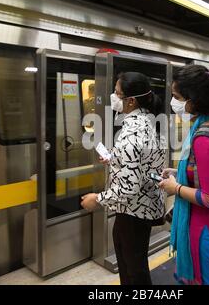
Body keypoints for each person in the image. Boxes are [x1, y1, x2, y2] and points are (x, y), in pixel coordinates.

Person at [81, 72, 165, 285]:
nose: (113, 97)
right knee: (134, 264)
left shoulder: (132, 133)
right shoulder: (147, 120)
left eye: (117, 93)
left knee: (134, 271)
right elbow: (143, 161)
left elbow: (129, 188)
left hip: (133, 212)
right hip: (141, 208)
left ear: (131, 101)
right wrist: (116, 158)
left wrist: (97, 198)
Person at [159, 65, 209, 285]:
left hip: (206, 230)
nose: (173, 102)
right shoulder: (208, 124)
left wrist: (176, 189)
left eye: (176, 97)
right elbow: (204, 170)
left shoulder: (203, 139)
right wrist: (179, 173)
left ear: (193, 100)